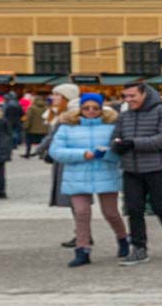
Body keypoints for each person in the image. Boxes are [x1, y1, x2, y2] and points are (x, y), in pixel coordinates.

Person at [47, 93, 127, 267]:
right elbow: (55, 151)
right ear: (80, 109)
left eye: (95, 108)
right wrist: (82, 154)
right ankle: (82, 249)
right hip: (77, 175)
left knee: (111, 212)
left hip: (105, 172)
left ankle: (123, 239)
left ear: (101, 109)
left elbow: (119, 150)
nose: (91, 111)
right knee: (82, 213)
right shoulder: (67, 127)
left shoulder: (111, 126)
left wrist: (107, 153)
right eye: (86, 108)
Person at [112, 82, 162, 264]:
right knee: (133, 209)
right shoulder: (124, 116)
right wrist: (117, 145)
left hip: (158, 168)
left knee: (161, 207)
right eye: (125, 96)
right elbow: (116, 136)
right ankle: (139, 248)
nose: (128, 100)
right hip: (131, 169)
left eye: (132, 96)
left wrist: (134, 143)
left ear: (144, 94)